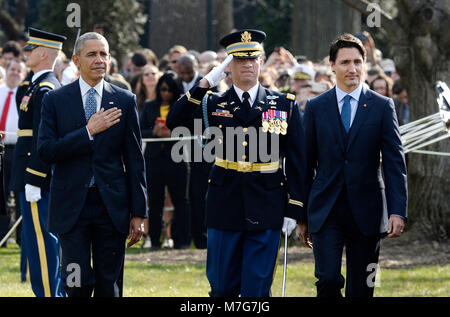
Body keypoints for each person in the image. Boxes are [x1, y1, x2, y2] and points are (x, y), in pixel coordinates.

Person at [167, 29, 306, 297]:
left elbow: (297, 160)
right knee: (221, 288)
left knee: (257, 289)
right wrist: (207, 80)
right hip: (224, 203)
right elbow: (175, 120)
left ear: (262, 61)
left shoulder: (282, 103)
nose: (248, 65)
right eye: (240, 60)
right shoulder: (213, 103)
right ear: (229, 65)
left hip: (266, 203)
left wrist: (294, 208)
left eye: (253, 58)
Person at [37, 32, 148, 297]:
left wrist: (139, 211)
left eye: (104, 54)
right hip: (71, 206)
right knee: (76, 283)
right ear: (76, 59)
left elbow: (135, 160)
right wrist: (88, 131)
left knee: (109, 284)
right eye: (92, 54)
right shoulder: (55, 100)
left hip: (111, 206)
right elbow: (45, 151)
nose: (99, 60)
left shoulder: (124, 100)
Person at [302, 33, 408, 297]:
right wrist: (301, 215)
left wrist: (397, 210)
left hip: (368, 210)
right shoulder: (316, 107)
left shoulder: (383, 106)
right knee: (327, 279)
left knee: (362, 287)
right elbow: (305, 164)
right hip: (326, 210)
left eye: (358, 62)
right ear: (332, 65)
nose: (353, 68)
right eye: (346, 62)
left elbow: (395, 162)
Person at [9, 27, 66, 297]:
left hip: (36, 178)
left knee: (42, 242)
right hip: (29, 175)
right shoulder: (35, 85)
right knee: (35, 242)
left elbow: (42, 140)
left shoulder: (46, 89)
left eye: (30, 49)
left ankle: (50, 294)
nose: (26, 53)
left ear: (43, 53)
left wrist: (34, 177)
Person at [140, 71, 190, 250]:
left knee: (180, 202)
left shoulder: (182, 107)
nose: (165, 93)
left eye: (169, 90)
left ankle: (182, 240)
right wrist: (153, 132)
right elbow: (139, 131)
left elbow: (191, 130)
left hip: (176, 159)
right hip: (154, 160)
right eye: (162, 89)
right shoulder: (149, 106)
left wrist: (172, 134)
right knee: (154, 202)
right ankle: (154, 241)